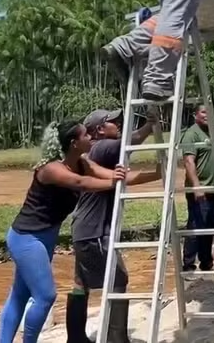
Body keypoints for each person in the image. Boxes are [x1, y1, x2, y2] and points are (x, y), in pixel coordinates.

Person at [0, 120, 128, 343]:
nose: (91, 136)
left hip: (45, 237)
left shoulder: (82, 163)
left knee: (20, 294)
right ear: (74, 142)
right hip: (25, 238)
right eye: (86, 134)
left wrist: (156, 174)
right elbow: (81, 183)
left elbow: (112, 176)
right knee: (45, 296)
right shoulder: (51, 169)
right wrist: (114, 183)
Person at [65, 108, 163, 343]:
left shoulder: (97, 153)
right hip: (95, 230)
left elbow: (121, 178)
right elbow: (134, 139)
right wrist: (151, 124)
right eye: (113, 121)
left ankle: (76, 338)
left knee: (81, 283)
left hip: (84, 228)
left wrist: (156, 175)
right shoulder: (103, 147)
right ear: (99, 129)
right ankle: (116, 338)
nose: (118, 123)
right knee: (118, 279)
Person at [179, 104, 214, 275]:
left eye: (210, 112)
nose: (207, 115)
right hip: (200, 191)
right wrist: (197, 187)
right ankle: (189, 265)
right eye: (204, 112)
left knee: (209, 226)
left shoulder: (211, 132)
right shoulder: (191, 134)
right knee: (196, 226)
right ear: (195, 114)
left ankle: (206, 263)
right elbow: (189, 162)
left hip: (213, 189)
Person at [101, 8, 157, 84]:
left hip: (119, 43)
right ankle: (117, 50)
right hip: (130, 47)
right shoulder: (163, 21)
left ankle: (114, 48)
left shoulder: (149, 23)